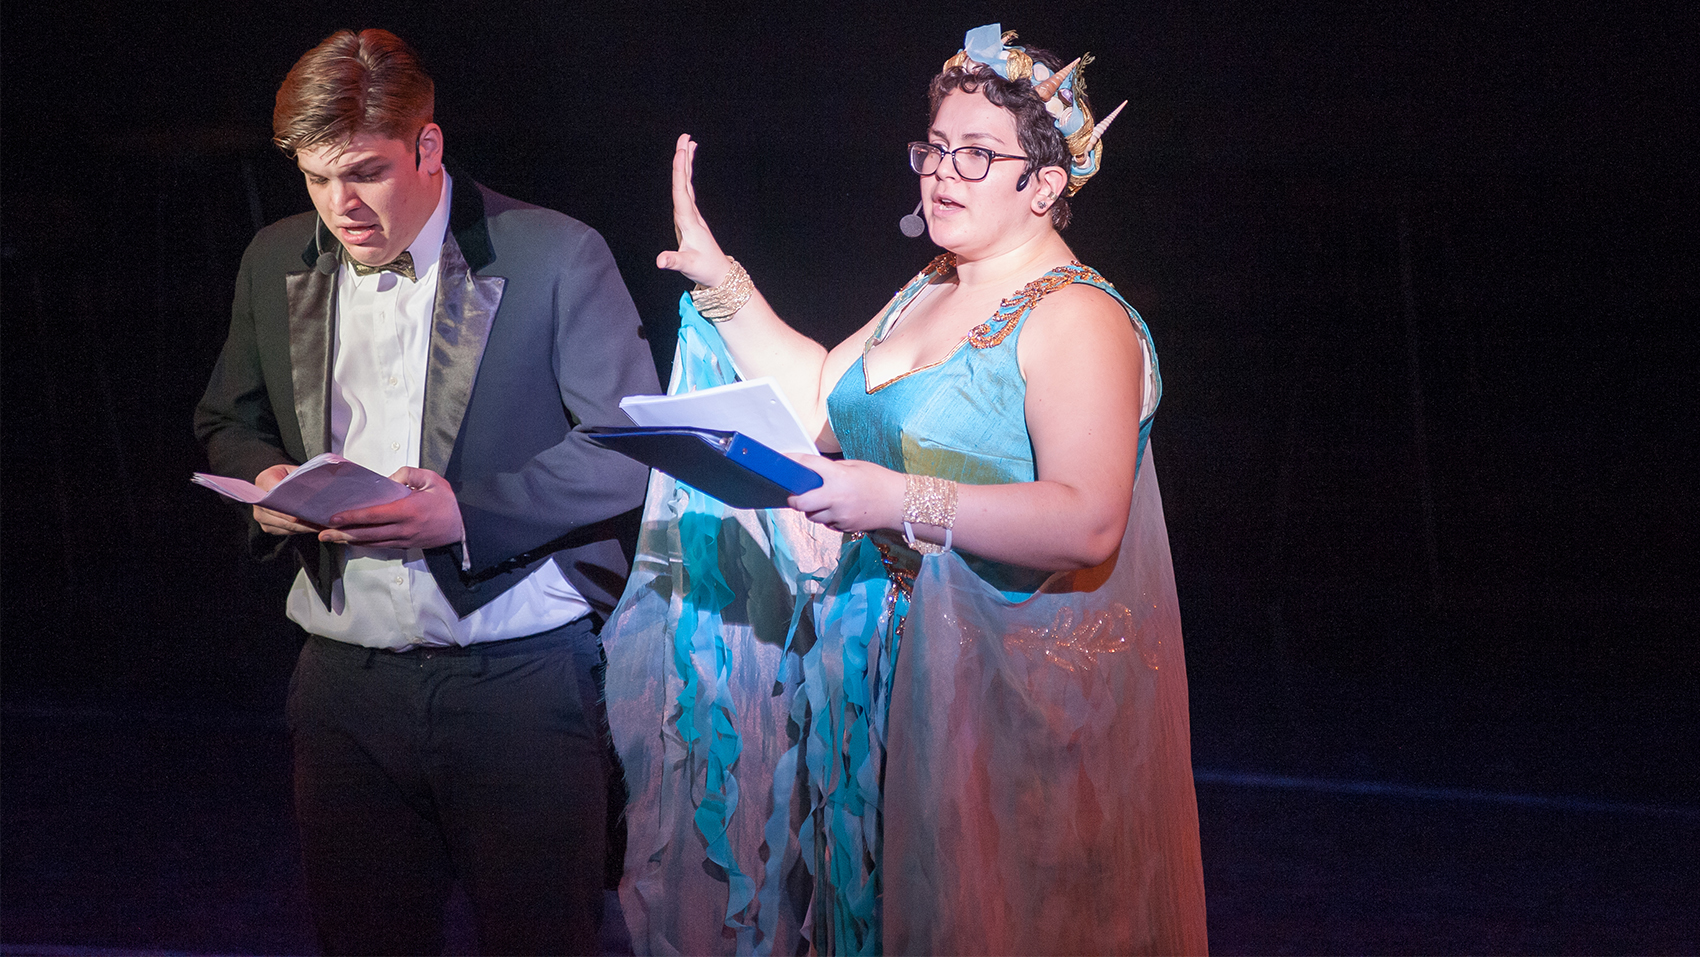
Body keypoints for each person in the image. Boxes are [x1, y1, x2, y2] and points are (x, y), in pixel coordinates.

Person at [613, 22, 1208, 956]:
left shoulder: (1078, 317)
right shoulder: (930, 283)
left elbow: (1089, 520)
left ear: (1046, 184)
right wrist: (723, 283)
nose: (941, 174)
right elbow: (821, 402)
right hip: (873, 659)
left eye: (978, 155)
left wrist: (895, 499)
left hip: (992, 690)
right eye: (935, 149)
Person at [193, 28, 659, 956]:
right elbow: (226, 422)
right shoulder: (276, 257)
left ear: (428, 146)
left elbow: (630, 444)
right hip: (344, 684)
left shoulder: (556, 253)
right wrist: (271, 481)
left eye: (364, 172)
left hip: (517, 682)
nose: (341, 206)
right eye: (317, 179)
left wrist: (466, 513)